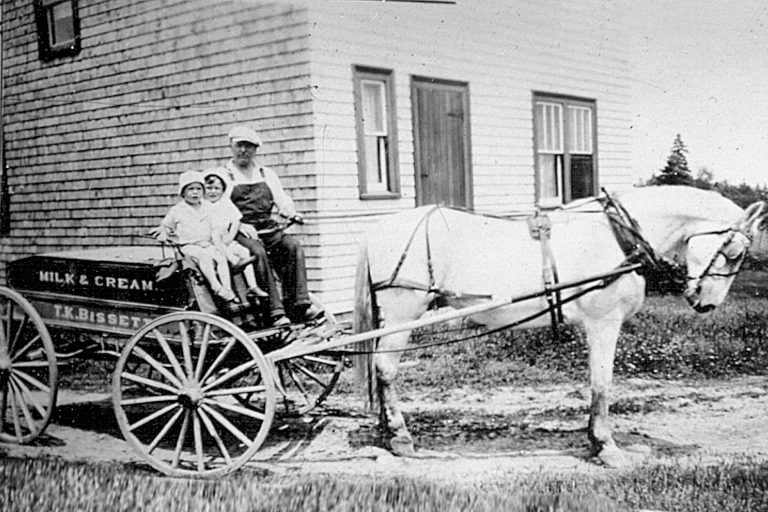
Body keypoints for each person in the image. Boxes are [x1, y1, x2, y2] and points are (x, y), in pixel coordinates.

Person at [223, 125, 321, 324]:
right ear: (231, 146)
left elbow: (281, 200)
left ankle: (300, 305)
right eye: (239, 145)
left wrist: (292, 213)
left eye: (249, 146)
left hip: (268, 227)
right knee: (257, 252)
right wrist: (239, 224)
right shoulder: (224, 175)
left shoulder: (267, 174)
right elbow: (218, 207)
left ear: (255, 149)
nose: (244, 151)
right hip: (239, 232)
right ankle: (275, 312)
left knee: (293, 246)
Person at [151, 170, 238, 305]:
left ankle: (227, 289)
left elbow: (215, 228)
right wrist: (162, 231)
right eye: (190, 189)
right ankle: (216, 286)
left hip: (206, 243)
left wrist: (218, 244)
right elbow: (166, 225)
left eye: (198, 189)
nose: (195, 193)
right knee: (204, 256)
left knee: (221, 258)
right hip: (188, 246)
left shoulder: (208, 207)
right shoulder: (178, 210)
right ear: (183, 192)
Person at [202, 167, 268, 302]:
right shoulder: (203, 206)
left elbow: (236, 220)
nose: (213, 192)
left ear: (223, 190)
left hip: (226, 240)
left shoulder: (225, 204)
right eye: (209, 188)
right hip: (212, 243)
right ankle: (232, 269)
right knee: (227, 255)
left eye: (217, 188)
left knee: (244, 251)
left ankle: (252, 286)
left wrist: (230, 237)